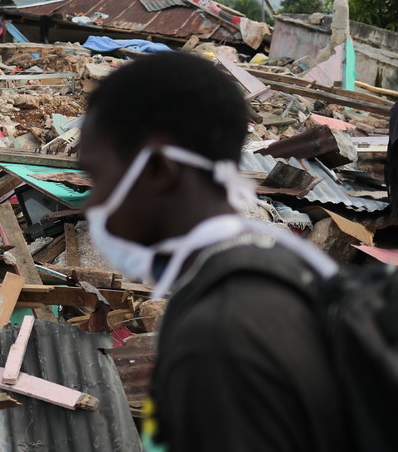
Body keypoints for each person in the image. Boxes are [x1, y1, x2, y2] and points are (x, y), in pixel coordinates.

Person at [78, 52, 347, 452]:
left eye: (97, 176)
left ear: (157, 170)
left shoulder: (219, 335)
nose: (91, 202)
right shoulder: (279, 265)